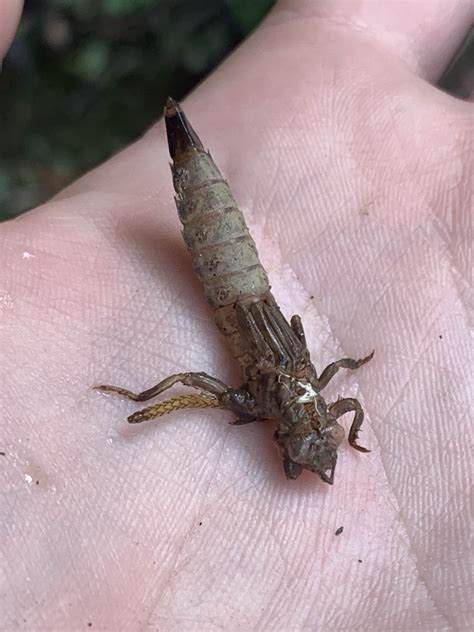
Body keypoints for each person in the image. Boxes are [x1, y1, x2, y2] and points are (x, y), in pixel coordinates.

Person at [1, 2, 472, 629]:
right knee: (197, 385)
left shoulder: (309, 399)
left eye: (311, 446)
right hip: (234, 282)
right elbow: (275, 390)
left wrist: (345, 419)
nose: (316, 457)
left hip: (240, 282)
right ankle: (180, 136)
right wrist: (158, 402)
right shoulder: (286, 401)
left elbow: (331, 393)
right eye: (319, 444)